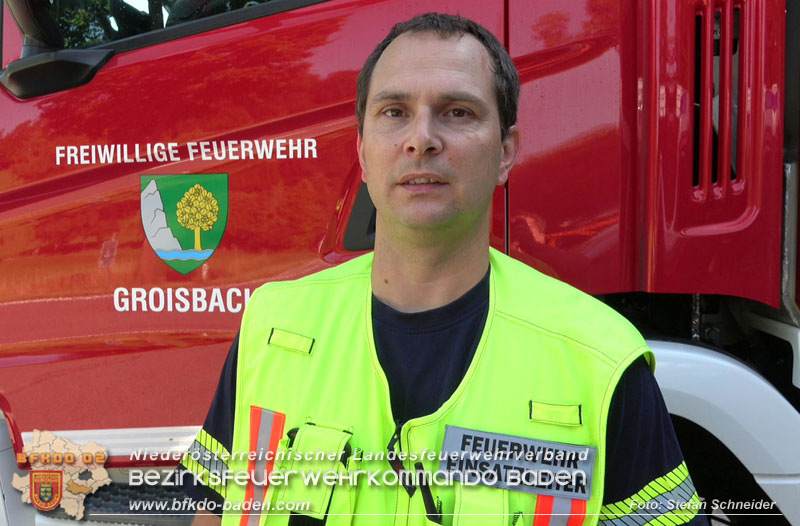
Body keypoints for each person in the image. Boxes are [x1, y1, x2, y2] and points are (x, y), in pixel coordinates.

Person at [178, 13, 708, 526]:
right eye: (394, 112)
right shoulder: (272, 330)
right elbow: (215, 512)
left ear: (506, 152)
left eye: (457, 112)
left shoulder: (600, 363)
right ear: (362, 152)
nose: (422, 138)